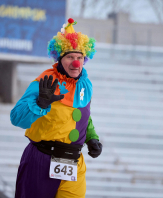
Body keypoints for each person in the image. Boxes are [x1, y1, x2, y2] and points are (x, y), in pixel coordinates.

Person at [10, 18, 102, 198]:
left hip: (74, 164)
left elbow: (84, 117)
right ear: (60, 59)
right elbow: (16, 117)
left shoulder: (85, 84)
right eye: (70, 57)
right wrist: (40, 104)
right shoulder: (44, 82)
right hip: (41, 161)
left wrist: (91, 138)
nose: (76, 63)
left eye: (79, 57)